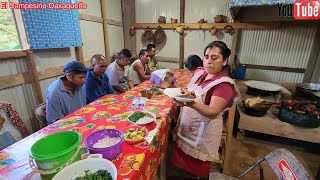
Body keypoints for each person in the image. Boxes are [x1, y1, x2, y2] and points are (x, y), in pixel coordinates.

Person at [170, 41, 241, 178]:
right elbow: (192, 91)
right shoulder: (201, 73)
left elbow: (213, 111)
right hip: (188, 129)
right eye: (206, 57)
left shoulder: (224, 85)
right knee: (182, 169)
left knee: (197, 171)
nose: (209, 61)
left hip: (202, 134)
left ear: (225, 61)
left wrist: (189, 104)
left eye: (214, 58)